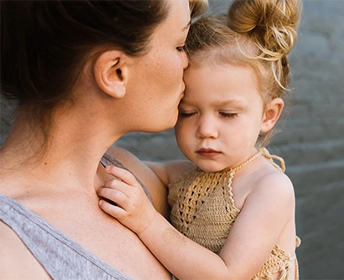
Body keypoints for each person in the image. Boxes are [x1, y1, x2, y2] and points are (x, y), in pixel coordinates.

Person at [0, 0, 207, 279]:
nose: (188, 62)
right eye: (179, 46)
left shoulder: (130, 176)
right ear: (115, 73)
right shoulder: (9, 250)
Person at [97, 0, 302, 279]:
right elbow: (127, 165)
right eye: (188, 112)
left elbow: (227, 275)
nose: (205, 129)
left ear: (268, 115)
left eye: (227, 114)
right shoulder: (185, 177)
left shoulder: (269, 188)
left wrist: (146, 222)